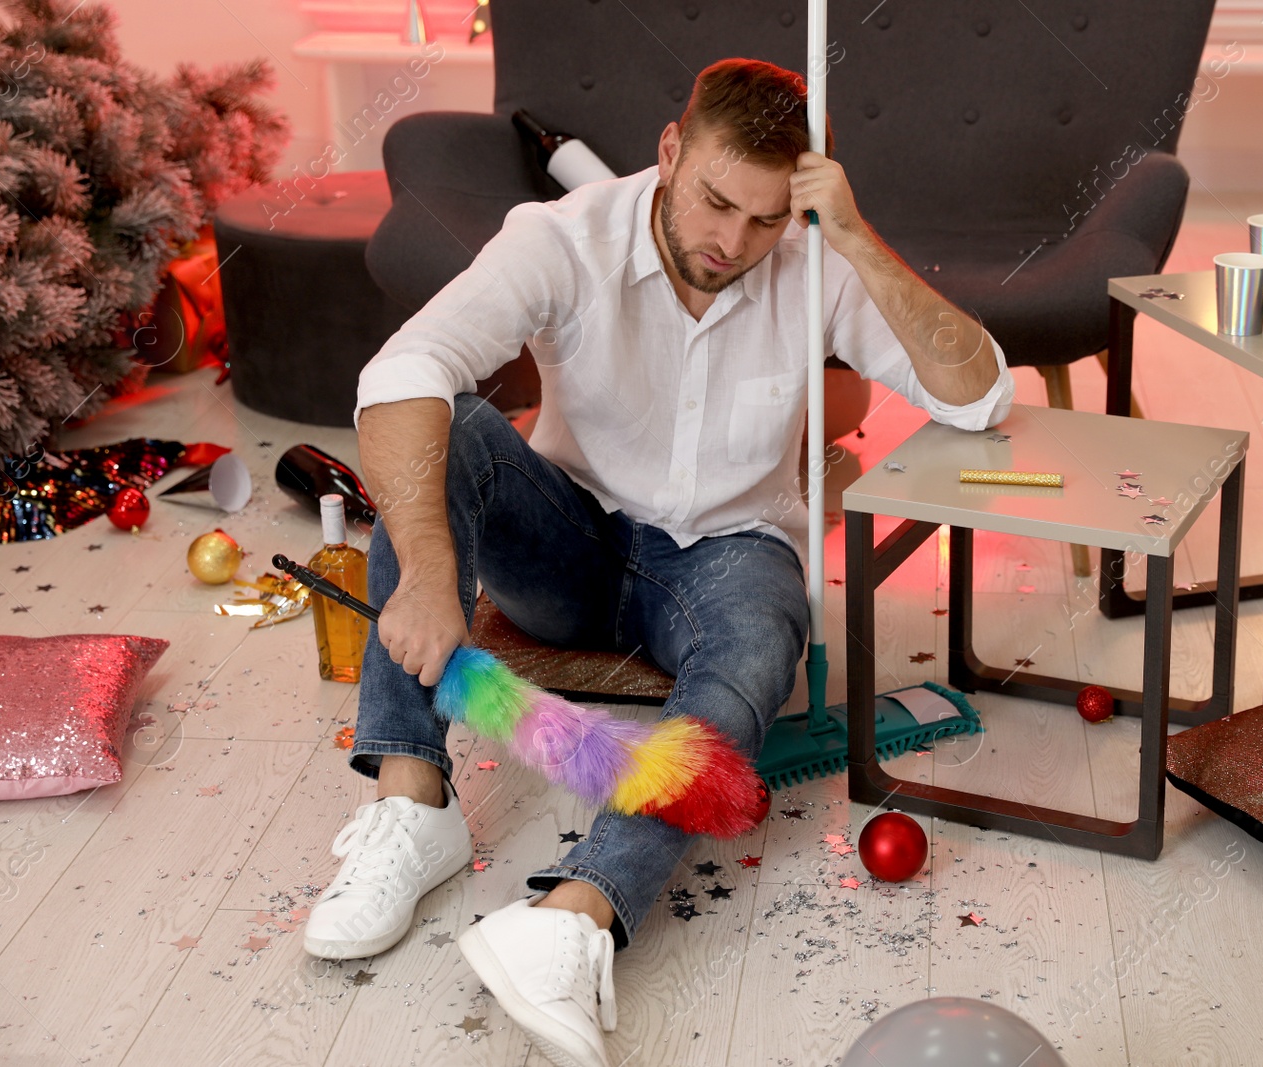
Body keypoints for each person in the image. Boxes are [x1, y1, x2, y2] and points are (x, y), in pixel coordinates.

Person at [302, 57, 1013, 1067]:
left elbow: (977, 398)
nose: (733, 242)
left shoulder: (812, 262)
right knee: (445, 425)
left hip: (729, 557)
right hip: (570, 541)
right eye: (717, 201)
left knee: (763, 640)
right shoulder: (561, 238)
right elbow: (402, 371)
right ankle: (412, 803)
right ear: (670, 151)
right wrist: (425, 573)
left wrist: (850, 237)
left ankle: (574, 915)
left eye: (765, 219)